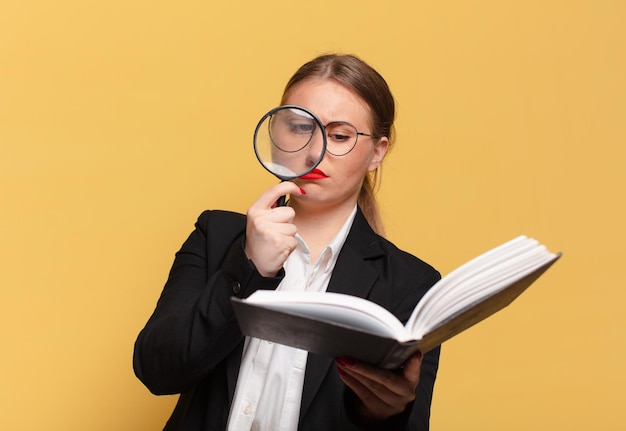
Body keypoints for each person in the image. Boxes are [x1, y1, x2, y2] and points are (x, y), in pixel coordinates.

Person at [133, 53, 442, 431]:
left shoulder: (411, 284)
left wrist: (384, 412)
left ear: (377, 152)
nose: (314, 152)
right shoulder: (215, 236)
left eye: (340, 136)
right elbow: (155, 369)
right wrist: (247, 267)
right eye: (299, 127)